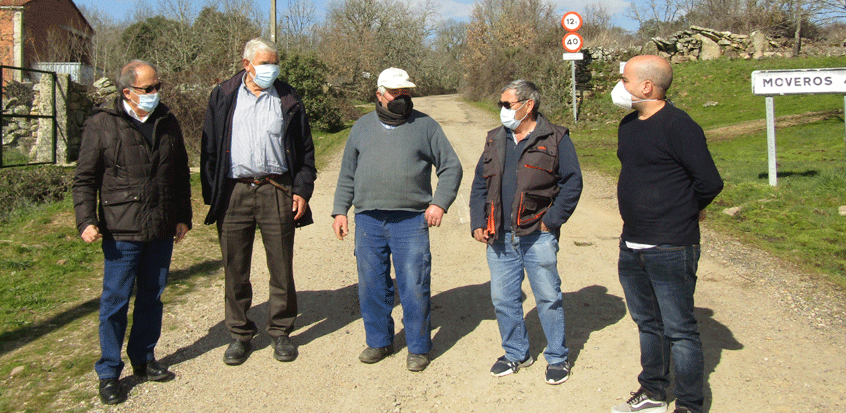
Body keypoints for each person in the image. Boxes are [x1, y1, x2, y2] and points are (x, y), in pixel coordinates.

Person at [73, 60, 192, 405]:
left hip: (160, 226)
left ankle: (143, 358)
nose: (156, 94)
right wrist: (86, 220)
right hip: (120, 230)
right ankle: (109, 371)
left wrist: (182, 216)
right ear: (127, 92)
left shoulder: (167, 122)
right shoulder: (102, 124)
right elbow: (84, 179)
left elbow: (180, 172)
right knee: (115, 302)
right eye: (148, 89)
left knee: (152, 297)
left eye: (158, 86)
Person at [609, 55, 723, 413]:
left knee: (680, 330)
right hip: (632, 243)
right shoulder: (628, 125)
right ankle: (654, 391)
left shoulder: (680, 126)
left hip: (672, 246)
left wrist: (684, 212)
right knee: (647, 322)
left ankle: (689, 404)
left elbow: (709, 182)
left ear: (647, 86)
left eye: (625, 80)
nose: (620, 87)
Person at [331, 67, 463, 372]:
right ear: (379, 94)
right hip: (368, 220)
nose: (402, 97)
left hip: (411, 221)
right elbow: (347, 174)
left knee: (414, 284)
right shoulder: (361, 127)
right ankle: (379, 341)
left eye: (406, 92)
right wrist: (340, 210)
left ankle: (418, 346)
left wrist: (439, 204)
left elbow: (451, 168)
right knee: (372, 285)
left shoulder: (426, 126)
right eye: (395, 92)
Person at [200, 38, 317, 366]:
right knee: (235, 267)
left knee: (281, 265)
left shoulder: (288, 97)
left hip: (276, 189)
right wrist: (215, 196)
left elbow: (306, 152)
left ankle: (280, 330)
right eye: (265, 63)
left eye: (275, 63)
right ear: (246, 63)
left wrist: (301, 190)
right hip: (234, 192)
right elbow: (209, 151)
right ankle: (239, 334)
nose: (271, 70)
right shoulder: (223, 96)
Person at [468, 79, 583, 385]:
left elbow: (572, 182)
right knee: (504, 299)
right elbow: (480, 183)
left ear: (528, 105)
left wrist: (552, 221)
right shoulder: (495, 139)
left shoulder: (556, 138)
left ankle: (557, 356)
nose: (502, 111)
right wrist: (478, 221)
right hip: (500, 236)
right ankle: (516, 352)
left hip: (538, 233)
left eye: (507, 104)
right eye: (501, 105)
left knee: (548, 297)